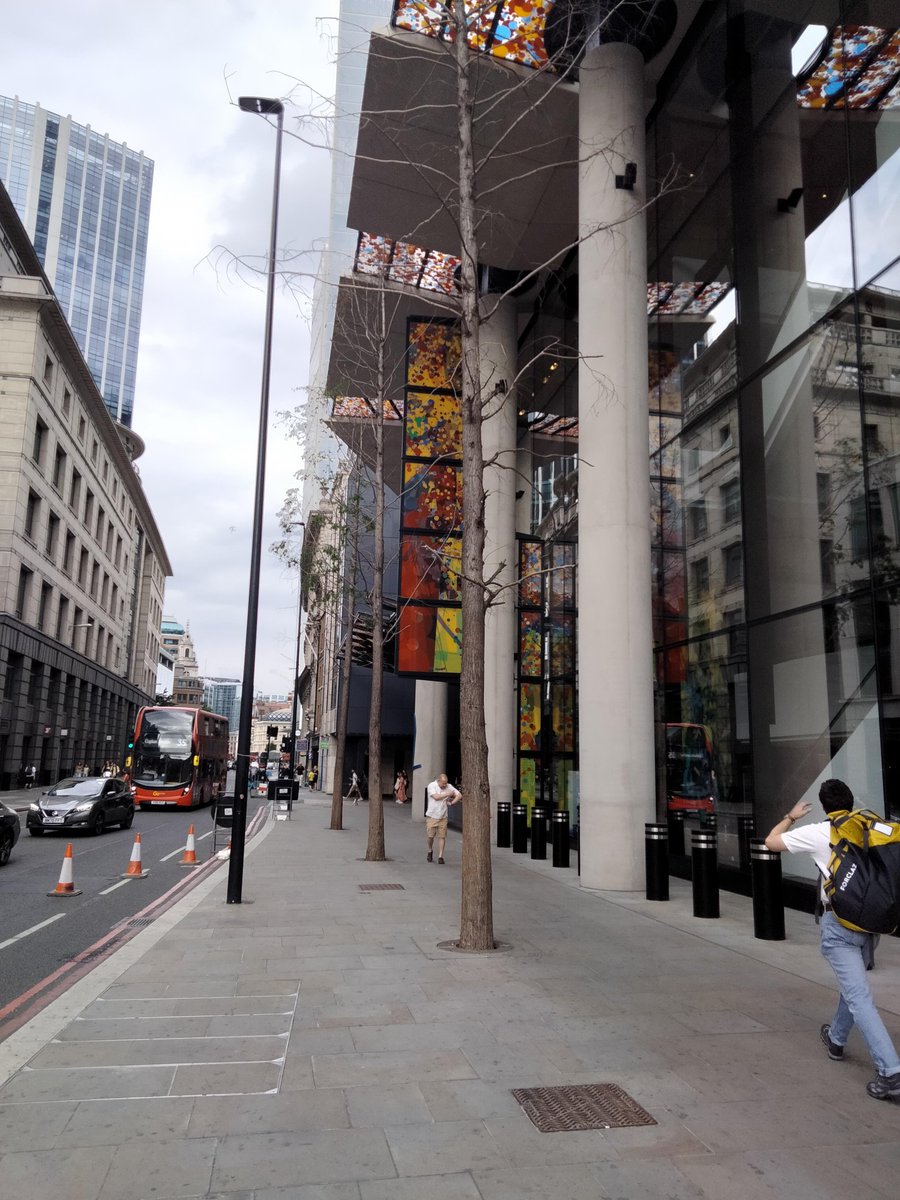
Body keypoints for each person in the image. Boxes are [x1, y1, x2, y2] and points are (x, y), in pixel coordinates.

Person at [765, 778, 900, 1102]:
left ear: (825, 806)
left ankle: (891, 1072)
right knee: (853, 987)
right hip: (871, 925)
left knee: (859, 998)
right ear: (850, 802)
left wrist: (792, 816)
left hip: (840, 926)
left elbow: (771, 842)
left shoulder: (819, 832)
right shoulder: (870, 824)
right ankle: (836, 1038)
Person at [425, 773, 461, 864]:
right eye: (443, 783)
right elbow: (436, 797)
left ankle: (440, 856)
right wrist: (447, 794)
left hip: (443, 816)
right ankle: (430, 850)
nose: (445, 785)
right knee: (430, 836)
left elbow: (459, 795)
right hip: (432, 815)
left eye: (446, 783)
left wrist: (452, 803)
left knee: (442, 836)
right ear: (438, 781)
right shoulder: (431, 785)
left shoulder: (449, 786)